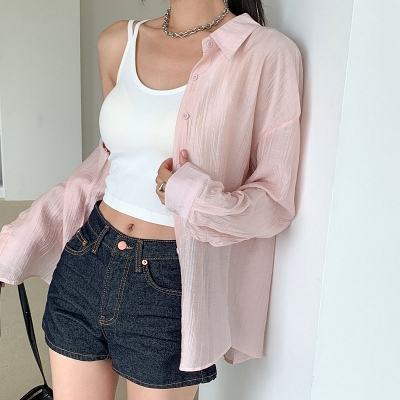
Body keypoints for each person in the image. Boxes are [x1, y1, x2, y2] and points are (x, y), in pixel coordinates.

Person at [0, 0, 303, 399]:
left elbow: (274, 202)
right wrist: (12, 246)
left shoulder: (267, 53)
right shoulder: (118, 41)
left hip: (170, 283)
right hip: (87, 259)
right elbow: (104, 167)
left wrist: (189, 195)